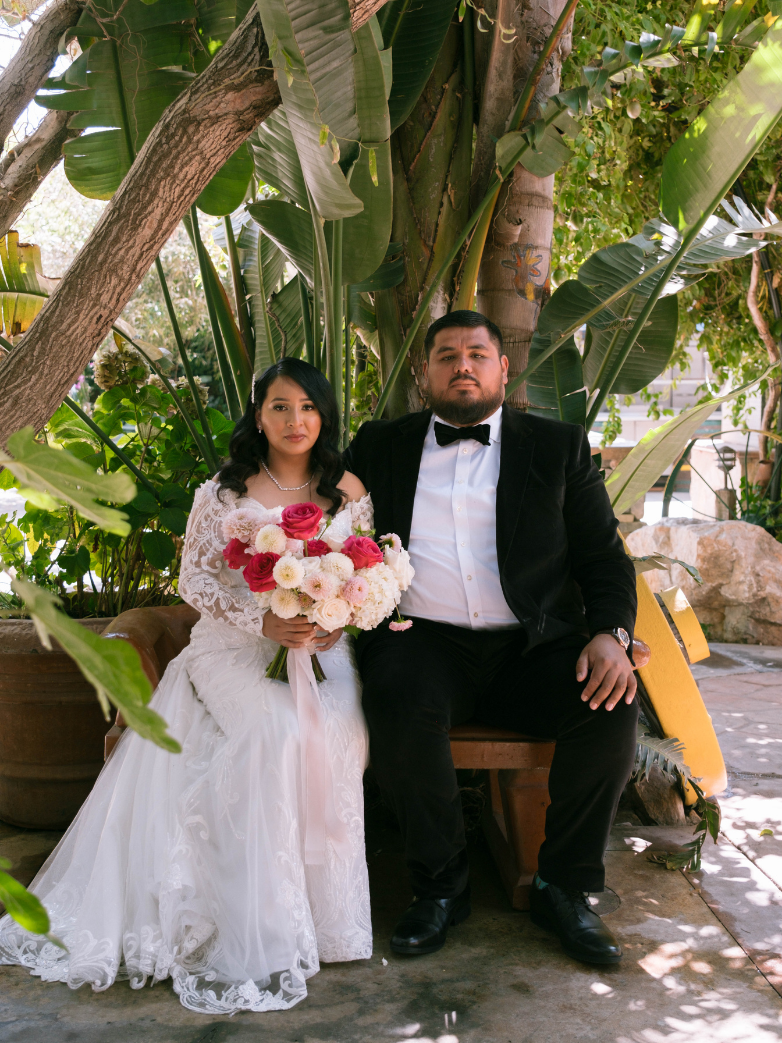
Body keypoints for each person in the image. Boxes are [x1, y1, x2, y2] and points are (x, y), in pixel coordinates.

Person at [0, 359, 373, 1014]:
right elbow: (195, 584)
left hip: (317, 647)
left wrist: (335, 624)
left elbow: (363, 573)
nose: (296, 420)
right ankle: (257, 923)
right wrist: (264, 618)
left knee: (344, 729)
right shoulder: (224, 492)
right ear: (258, 415)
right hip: (234, 645)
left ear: (324, 414)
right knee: (272, 730)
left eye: (308, 406)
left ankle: (329, 919)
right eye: (280, 407)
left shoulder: (346, 488)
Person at [344, 310, 638, 966]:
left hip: (530, 647)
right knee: (394, 696)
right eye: (447, 355)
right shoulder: (380, 444)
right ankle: (441, 887)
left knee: (611, 701)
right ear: (426, 373)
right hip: (423, 642)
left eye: (478, 353)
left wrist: (612, 634)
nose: (463, 365)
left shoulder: (558, 446)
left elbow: (603, 558)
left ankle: (563, 886)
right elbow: (327, 524)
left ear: (505, 369)